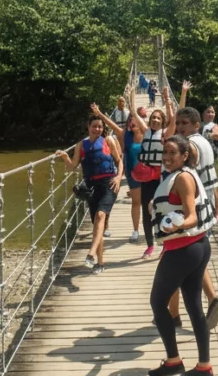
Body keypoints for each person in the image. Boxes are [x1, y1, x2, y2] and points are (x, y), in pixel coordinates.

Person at [147, 134, 216, 376]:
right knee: (194, 306)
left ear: (184, 156)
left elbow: (192, 217)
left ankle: (173, 361)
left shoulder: (183, 178)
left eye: (172, 153)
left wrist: (175, 226)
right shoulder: (180, 175)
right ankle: (204, 367)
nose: (166, 157)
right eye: (164, 153)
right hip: (197, 247)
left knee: (158, 303)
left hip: (183, 249)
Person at [163, 84, 218, 330]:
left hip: (192, 207)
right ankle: (207, 301)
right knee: (194, 258)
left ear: (196, 125)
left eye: (184, 124)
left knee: (177, 258)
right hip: (205, 206)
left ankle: (177, 314)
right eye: (178, 123)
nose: (179, 127)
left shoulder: (190, 145)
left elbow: (193, 157)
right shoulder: (204, 140)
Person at [55, 115, 123, 273]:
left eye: (100, 127)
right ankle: (100, 263)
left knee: (100, 215)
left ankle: (91, 253)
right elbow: (72, 167)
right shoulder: (81, 145)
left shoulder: (108, 141)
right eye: (94, 126)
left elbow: (119, 161)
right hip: (91, 187)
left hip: (109, 184)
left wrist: (119, 178)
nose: (97, 129)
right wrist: (65, 157)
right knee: (97, 224)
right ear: (88, 126)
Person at [92, 95, 143, 243]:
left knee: (149, 203)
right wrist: (99, 114)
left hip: (149, 173)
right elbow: (110, 123)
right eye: (130, 121)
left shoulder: (147, 133)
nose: (132, 123)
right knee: (136, 202)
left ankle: (151, 229)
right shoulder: (124, 135)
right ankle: (135, 230)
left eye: (135, 120)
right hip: (133, 173)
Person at [132, 87, 166, 258]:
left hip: (161, 178)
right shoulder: (145, 131)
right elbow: (133, 112)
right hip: (147, 177)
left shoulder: (165, 133)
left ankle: (165, 244)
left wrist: (169, 99)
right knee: (147, 211)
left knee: (162, 210)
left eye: (158, 118)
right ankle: (150, 245)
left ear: (162, 121)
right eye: (153, 117)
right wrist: (131, 95)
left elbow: (175, 117)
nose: (155, 120)